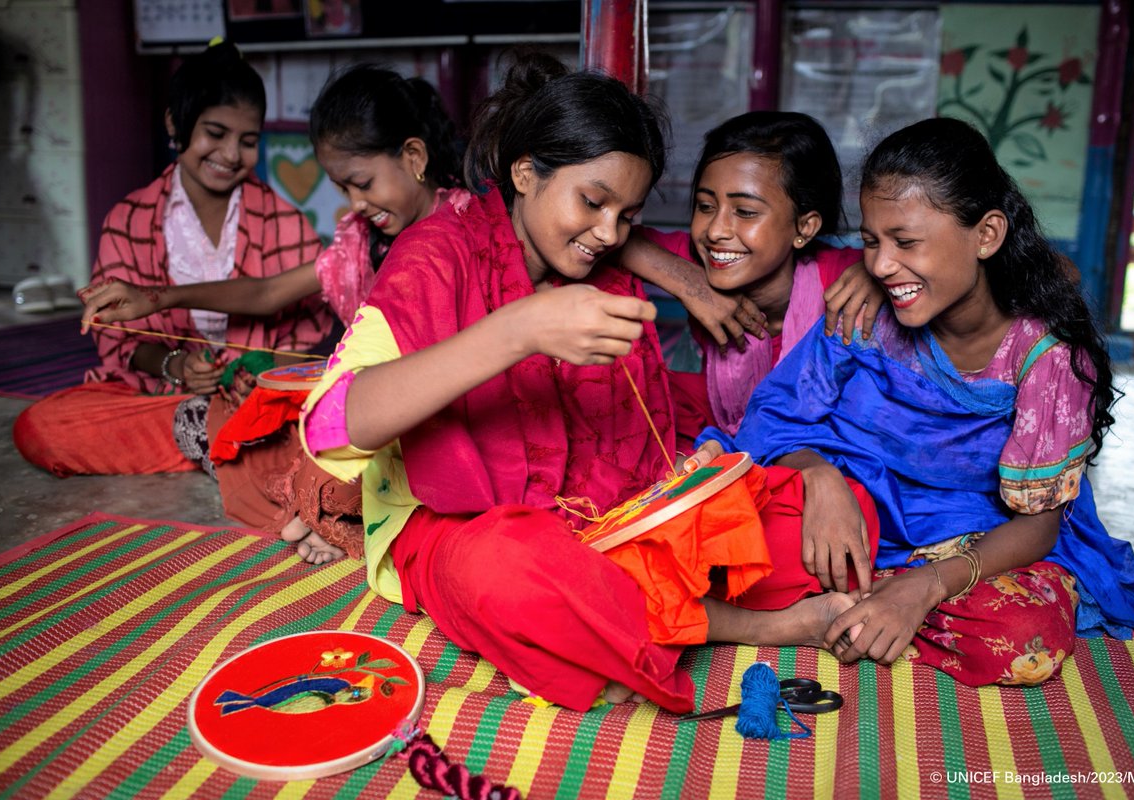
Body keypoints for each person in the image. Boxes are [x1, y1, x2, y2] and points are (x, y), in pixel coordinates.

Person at [300, 54, 875, 712]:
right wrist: (519, 329)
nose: (607, 234)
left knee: (826, 510)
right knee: (511, 573)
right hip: (465, 530)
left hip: (616, 517)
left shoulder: (604, 259)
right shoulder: (438, 253)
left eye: (626, 215)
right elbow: (329, 427)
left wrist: (688, 477)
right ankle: (758, 628)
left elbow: (644, 425)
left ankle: (630, 616)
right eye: (593, 202)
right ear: (524, 174)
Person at [691, 117, 1134, 687]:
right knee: (712, 553)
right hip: (851, 519)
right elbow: (773, 416)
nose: (881, 266)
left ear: (987, 235)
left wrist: (927, 584)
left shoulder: (1046, 357)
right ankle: (854, 603)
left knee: (1024, 639)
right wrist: (819, 477)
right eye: (872, 242)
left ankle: (863, 601)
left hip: (977, 535)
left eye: (906, 242)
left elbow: (1038, 526)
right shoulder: (863, 314)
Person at [74, 64, 469, 563]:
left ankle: (330, 510)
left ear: (413, 156)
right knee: (221, 423)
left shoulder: (464, 230)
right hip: (365, 423)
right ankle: (328, 508)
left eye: (362, 183)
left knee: (350, 460)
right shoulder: (361, 243)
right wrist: (158, 297)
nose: (356, 204)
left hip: (435, 428)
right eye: (344, 189)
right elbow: (267, 293)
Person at [13, 42, 330, 477]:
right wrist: (175, 366)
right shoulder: (128, 220)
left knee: (336, 414)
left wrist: (258, 376)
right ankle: (221, 440)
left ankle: (220, 438)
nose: (231, 154)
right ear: (175, 123)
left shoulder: (285, 222)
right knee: (43, 427)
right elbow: (119, 339)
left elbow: (309, 341)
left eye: (248, 141)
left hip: (261, 400)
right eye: (215, 134)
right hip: (164, 399)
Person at [621, 111, 884, 443]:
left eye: (745, 212)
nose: (716, 231)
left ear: (805, 226)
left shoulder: (843, 278)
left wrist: (877, 274)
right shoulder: (697, 264)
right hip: (721, 430)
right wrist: (688, 281)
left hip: (826, 448)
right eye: (705, 206)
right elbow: (608, 237)